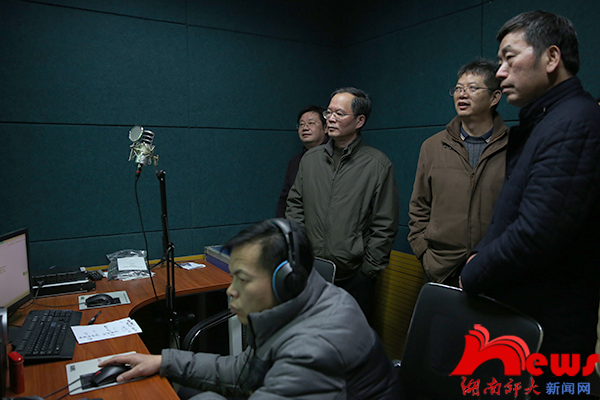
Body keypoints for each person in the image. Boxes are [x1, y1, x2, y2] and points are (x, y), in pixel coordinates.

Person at [99, 219, 400, 399]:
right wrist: (163, 361)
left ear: (286, 280)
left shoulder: (314, 349)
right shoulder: (292, 305)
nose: (230, 290)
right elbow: (244, 372)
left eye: (242, 279)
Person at [460, 10, 600, 393]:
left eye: (509, 58)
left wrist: (474, 271)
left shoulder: (575, 121)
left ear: (551, 58)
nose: (500, 72)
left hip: (550, 330)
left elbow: (537, 233)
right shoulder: (548, 120)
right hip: (524, 320)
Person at [286, 87, 399, 320]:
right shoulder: (310, 159)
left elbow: (385, 223)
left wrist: (368, 271)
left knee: (350, 337)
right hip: (312, 271)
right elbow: (294, 205)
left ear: (359, 121)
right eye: (328, 112)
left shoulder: (377, 164)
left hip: (354, 276)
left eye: (339, 113)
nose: (331, 119)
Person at [408, 59, 507, 287]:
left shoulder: (514, 147)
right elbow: (419, 206)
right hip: (440, 269)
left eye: (473, 88)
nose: (462, 94)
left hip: (494, 268)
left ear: (494, 97)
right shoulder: (432, 146)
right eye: (458, 88)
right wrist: (425, 255)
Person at [275, 105, 329, 218]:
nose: (305, 128)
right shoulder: (295, 162)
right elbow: (285, 199)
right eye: (301, 124)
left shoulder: (335, 158)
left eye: (311, 123)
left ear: (325, 128)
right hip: (297, 224)